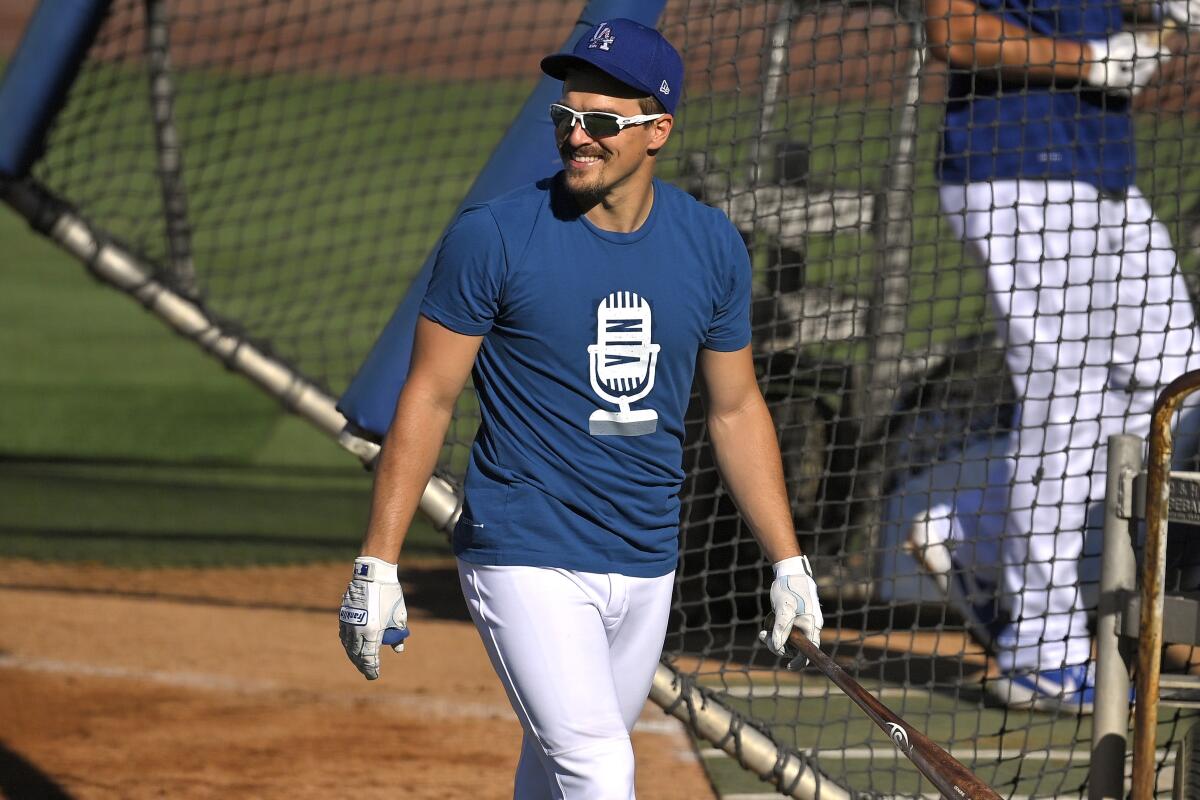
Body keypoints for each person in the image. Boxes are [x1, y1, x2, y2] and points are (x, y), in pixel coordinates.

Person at [337, 18, 823, 797]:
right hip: (524, 547)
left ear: (658, 130)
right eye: (567, 118)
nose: (577, 138)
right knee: (597, 763)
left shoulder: (710, 246)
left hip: (644, 559)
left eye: (601, 123)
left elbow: (735, 410)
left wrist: (788, 560)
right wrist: (378, 560)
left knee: (556, 766)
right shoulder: (493, 238)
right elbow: (427, 396)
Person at [924, 0, 1200, 712]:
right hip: (1015, 170)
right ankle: (1041, 651)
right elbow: (952, 29)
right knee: (1068, 403)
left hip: (1101, 171)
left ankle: (978, 537)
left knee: (1175, 381)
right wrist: (1091, 62)